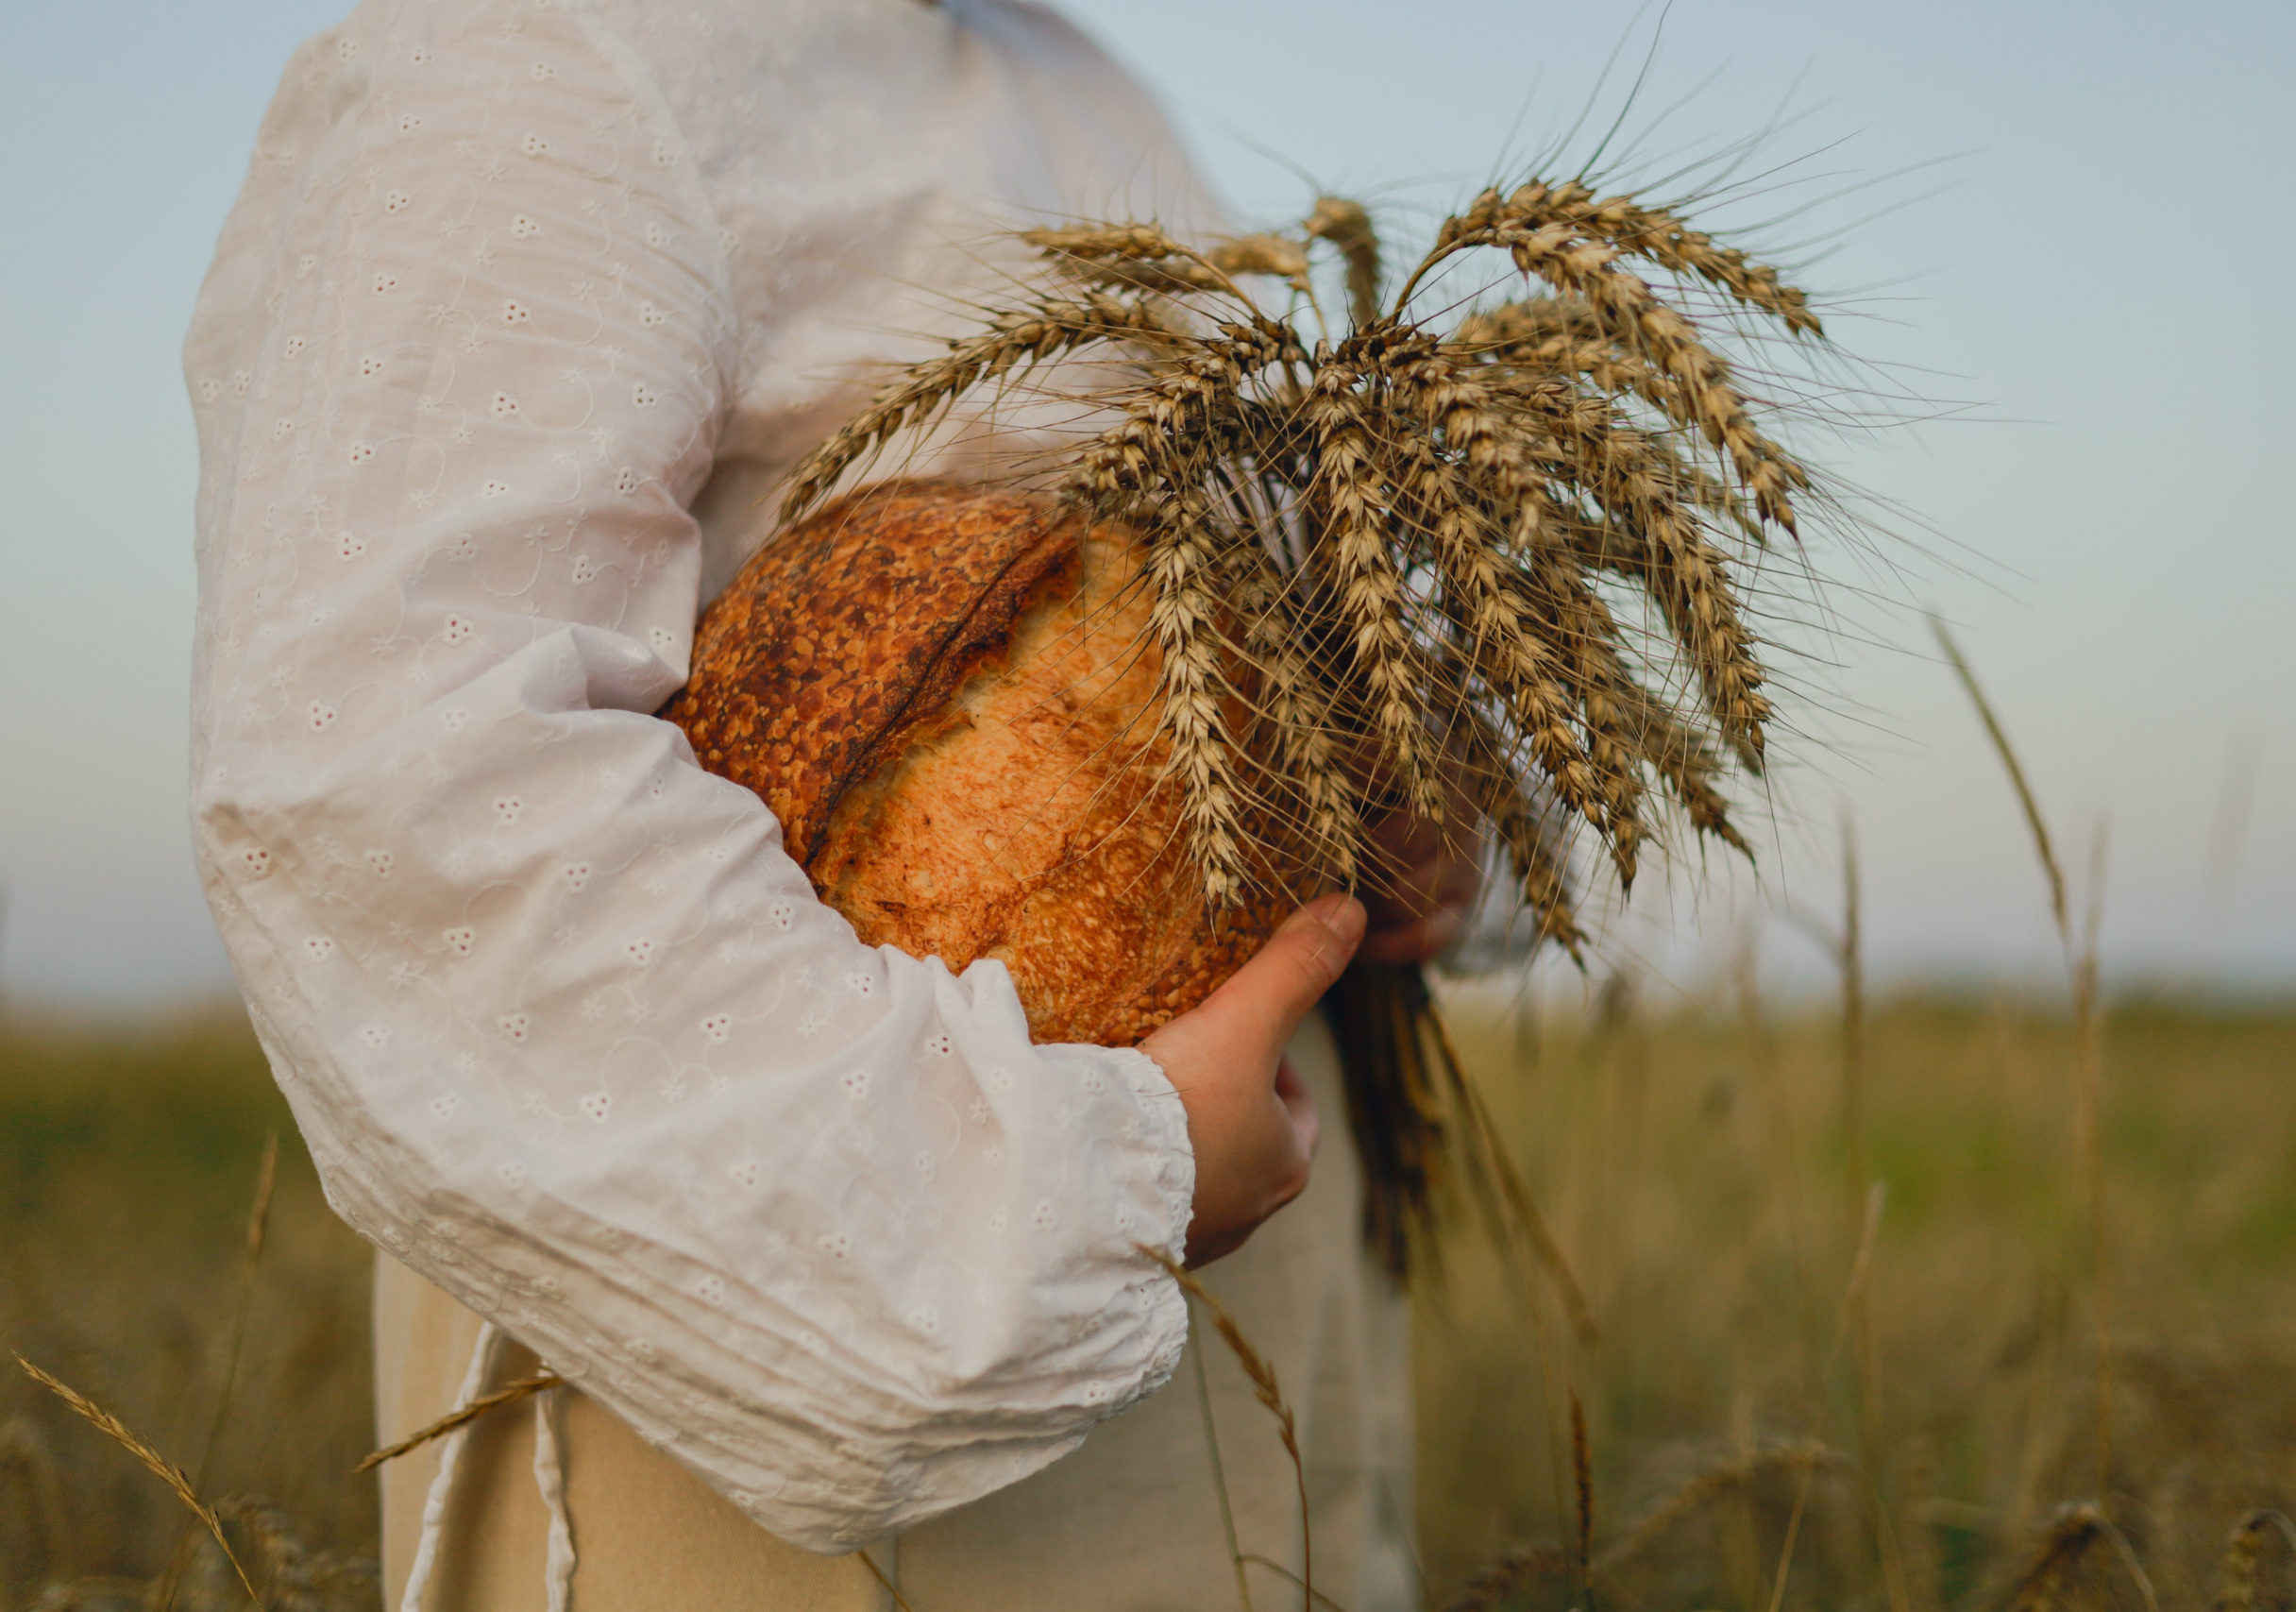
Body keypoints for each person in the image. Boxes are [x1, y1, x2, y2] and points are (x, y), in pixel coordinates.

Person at [187, 0, 1475, 1605]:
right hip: (811, 1395)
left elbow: (1253, 611)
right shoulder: (542, 53)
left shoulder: (1084, 84)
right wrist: (1094, 1191)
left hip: (1255, 1316)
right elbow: (399, 793)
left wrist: (1392, 790)